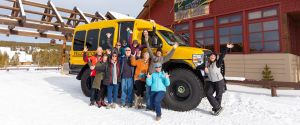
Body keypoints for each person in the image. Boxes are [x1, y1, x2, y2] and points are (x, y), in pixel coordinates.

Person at [144, 20, 178, 110]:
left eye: (160, 52)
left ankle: (154, 106)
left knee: (154, 92)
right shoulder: (153, 56)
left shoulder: (163, 59)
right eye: (158, 52)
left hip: (157, 77)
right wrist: (146, 41)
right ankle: (149, 106)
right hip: (150, 76)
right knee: (148, 92)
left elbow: (170, 55)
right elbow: (149, 48)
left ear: (161, 53)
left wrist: (174, 48)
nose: (158, 53)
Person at [205, 42, 234, 116]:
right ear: (209, 57)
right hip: (212, 82)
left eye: (213, 56)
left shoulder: (218, 63)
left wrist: (226, 47)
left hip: (219, 81)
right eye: (211, 56)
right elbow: (208, 73)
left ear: (215, 57)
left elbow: (222, 56)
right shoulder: (208, 64)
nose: (212, 57)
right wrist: (206, 71)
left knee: (218, 96)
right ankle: (218, 107)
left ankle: (216, 110)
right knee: (208, 94)